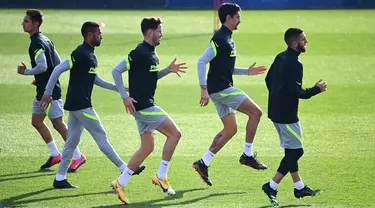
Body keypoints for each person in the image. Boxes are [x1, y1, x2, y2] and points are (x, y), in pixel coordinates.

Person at [40, 21, 145, 189]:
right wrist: (47, 92)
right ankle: (125, 169)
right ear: (89, 35)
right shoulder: (80, 53)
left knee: (71, 142)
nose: (101, 36)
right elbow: (57, 69)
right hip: (81, 106)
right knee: (101, 137)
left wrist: (118, 88)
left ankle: (60, 178)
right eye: (98, 34)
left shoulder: (90, 54)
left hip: (77, 106)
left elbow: (94, 79)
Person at [110, 17, 187, 204]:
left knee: (148, 146)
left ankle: (120, 182)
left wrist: (168, 70)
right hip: (144, 106)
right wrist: (124, 96)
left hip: (144, 105)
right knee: (175, 134)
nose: (162, 34)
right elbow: (115, 71)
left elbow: (151, 77)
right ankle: (161, 176)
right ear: (150, 32)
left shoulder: (152, 53)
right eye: (159, 30)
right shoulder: (138, 52)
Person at [193, 2, 268, 186]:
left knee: (230, 129)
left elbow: (226, 68)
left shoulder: (228, 38)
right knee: (256, 113)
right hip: (221, 89)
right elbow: (201, 62)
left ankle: (203, 163)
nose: (239, 21)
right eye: (237, 18)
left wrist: (246, 72)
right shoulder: (220, 38)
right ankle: (247, 155)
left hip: (220, 87)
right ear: (229, 18)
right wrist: (204, 88)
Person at [261, 28, 326, 206]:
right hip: (287, 115)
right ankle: (271, 185)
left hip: (275, 111)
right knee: (297, 151)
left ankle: (299, 187)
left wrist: (277, 96)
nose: (307, 42)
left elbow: (268, 80)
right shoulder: (295, 64)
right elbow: (298, 92)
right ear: (295, 43)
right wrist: (316, 89)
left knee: (291, 151)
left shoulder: (280, 56)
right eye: (304, 40)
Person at [18, 9, 85, 171]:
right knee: (37, 121)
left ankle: (78, 156)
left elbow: (43, 66)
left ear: (35, 24)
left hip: (50, 92)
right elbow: (58, 62)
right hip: (43, 89)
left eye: (26, 21)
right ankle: (55, 154)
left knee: (58, 124)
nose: (23, 23)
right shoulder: (45, 40)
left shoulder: (36, 43)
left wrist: (26, 72)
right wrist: (40, 79)